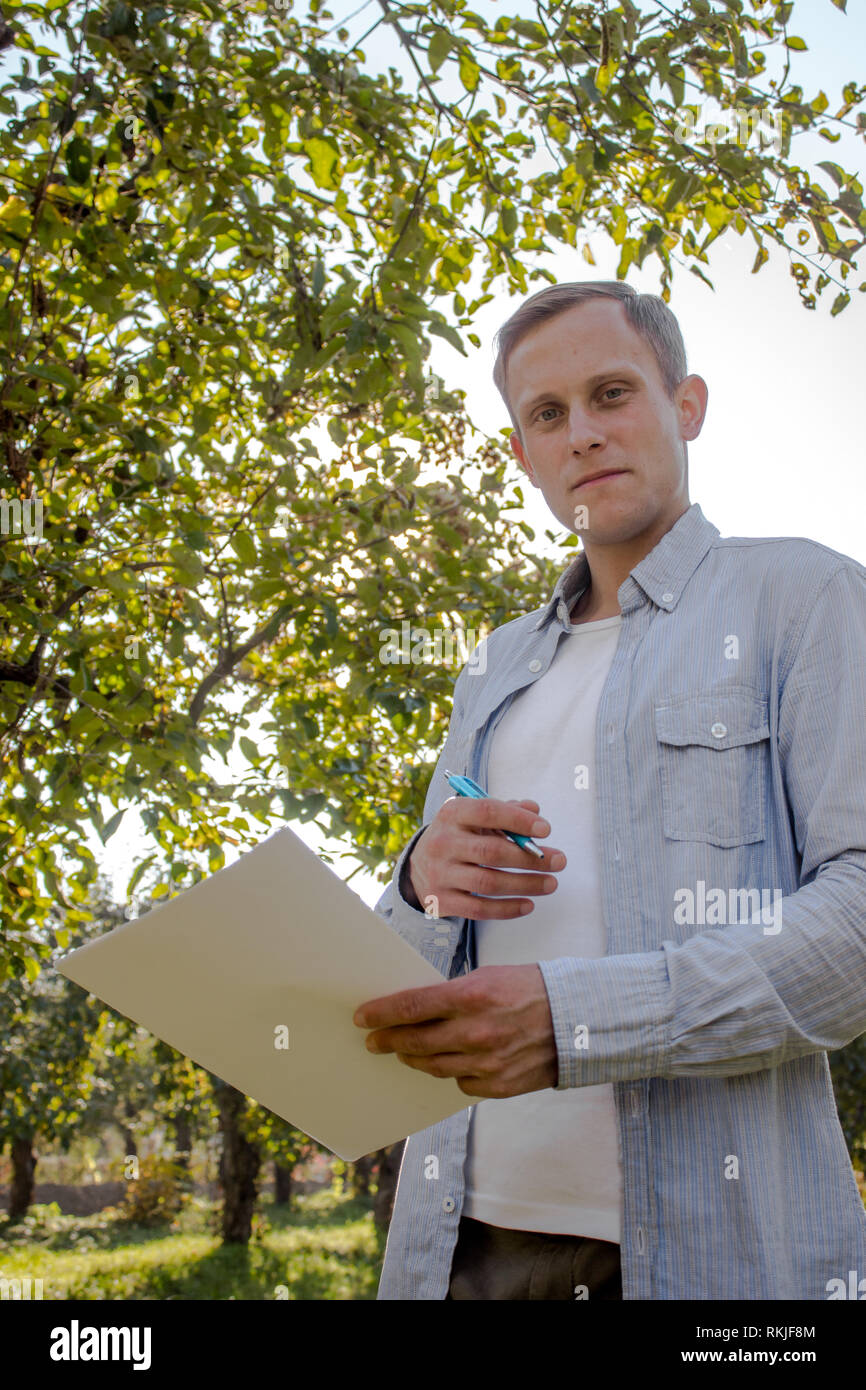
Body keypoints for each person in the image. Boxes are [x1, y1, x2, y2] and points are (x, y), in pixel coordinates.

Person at [353, 280, 866, 1300]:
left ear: (685, 405)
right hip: (458, 1241)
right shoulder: (491, 666)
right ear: (522, 455)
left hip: (708, 1257)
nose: (581, 433)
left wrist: (578, 1020)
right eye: (546, 414)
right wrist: (415, 882)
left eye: (610, 393)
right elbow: (415, 950)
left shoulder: (802, 596)